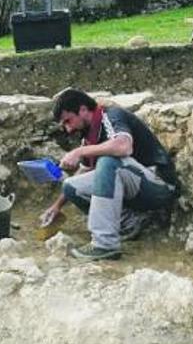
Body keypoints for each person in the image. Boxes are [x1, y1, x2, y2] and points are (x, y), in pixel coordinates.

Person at [41, 89, 179, 261]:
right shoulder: (89, 135)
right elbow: (83, 172)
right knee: (71, 186)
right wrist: (57, 206)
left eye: (68, 121)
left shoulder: (111, 116)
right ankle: (130, 222)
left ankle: (104, 244)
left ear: (83, 109)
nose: (68, 129)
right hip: (135, 186)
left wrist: (79, 151)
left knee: (108, 162)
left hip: (159, 186)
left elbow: (123, 147)